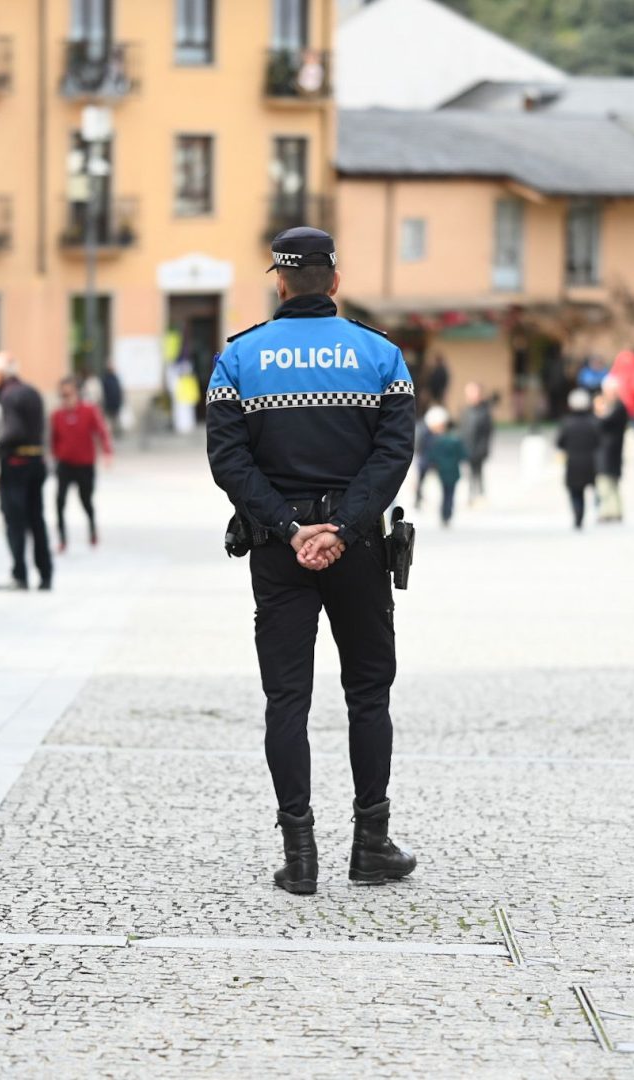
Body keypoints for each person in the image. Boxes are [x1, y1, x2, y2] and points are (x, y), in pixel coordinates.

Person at [205, 225, 417, 895]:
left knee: (286, 700)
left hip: (277, 550)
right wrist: (344, 529)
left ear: (279, 281)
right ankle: (370, 846)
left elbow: (228, 460)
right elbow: (393, 456)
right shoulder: (381, 357)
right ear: (333, 280)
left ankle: (300, 859)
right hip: (356, 552)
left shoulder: (239, 360)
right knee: (368, 694)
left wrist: (291, 528)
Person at [0, 352, 53, 591]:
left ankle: (20, 574)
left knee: (15, 522)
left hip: (16, 464)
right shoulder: (32, 391)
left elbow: (13, 431)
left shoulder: (8, 395)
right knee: (37, 519)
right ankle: (45, 573)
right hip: (36, 461)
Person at [51, 375, 113, 552]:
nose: (65, 398)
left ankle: (92, 528)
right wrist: (55, 457)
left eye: (68, 394)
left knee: (85, 500)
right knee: (59, 501)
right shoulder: (57, 415)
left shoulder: (88, 411)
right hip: (65, 464)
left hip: (85, 464)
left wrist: (107, 452)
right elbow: (54, 439)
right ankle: (62, 539)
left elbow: (101, 431)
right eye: (62, 395)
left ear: (76, 393)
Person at [555, 388, 600, 529]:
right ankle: (584, 514)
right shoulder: (593, 422)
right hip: (589, 461)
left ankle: (578, 515)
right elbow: (598, 441)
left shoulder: (567, 423)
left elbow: (559, 442)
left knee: (575, 492)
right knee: (589, 489)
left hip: (573, 462)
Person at [423, 406, 466, 526]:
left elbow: (432, 456)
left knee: (444, 493)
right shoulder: (455, 441)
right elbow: (463, 455)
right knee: (450, 494)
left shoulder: (438, 442)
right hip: (453, 472)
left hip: (442, 472)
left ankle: (444, 513)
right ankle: (448, 513)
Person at [594, 375, 629, 523]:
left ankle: (609, 511)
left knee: (606, 484)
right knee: (610, 484)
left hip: (609, 452)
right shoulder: (615, 407)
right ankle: (614, 510)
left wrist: (598, 410)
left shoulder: (618, 408)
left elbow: (602, 423)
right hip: (609, 451)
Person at [608, 348, 634, 456]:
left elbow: (611, 378)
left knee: (616, 428)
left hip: (619, 401)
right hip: (630, 402)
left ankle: (614, 448)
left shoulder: (621, 360)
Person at [458, 382, 494, 506]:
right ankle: (471, 495)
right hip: (467, 447)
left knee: (478, 472)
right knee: (469, 473)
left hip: (479, 448)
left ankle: (479, 494)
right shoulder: (465, 410)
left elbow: (488, 433)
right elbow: (461, 430)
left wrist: (483, 449)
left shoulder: (485, 412)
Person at [99, 365, 125, 437]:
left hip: (114, 402)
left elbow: (119, 391)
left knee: (114, 419)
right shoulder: (106, 379)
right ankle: (111, 433)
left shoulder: (114, 379)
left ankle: (115, 432)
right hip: (110, 403)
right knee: (110, 420)